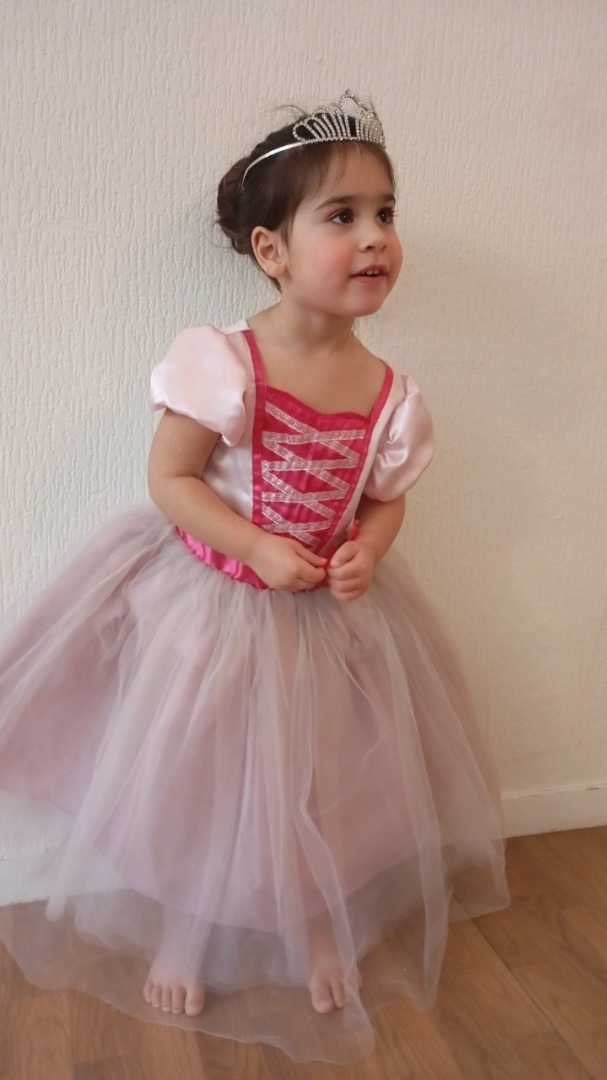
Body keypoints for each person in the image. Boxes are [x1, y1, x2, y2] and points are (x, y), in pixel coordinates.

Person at [0, 92, 508, 1064]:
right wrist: (255, 545)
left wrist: (370, 546)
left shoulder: (390, 395)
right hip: (213, 613)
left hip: (329, 624)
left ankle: (316, 920)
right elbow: (170, 481)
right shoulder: (225, 363)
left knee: (321, 784)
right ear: (271, 250)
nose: (374, 237)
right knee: (200, 782)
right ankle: (187, 926)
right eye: (342, 216)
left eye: (385, 213)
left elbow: (384, 497)